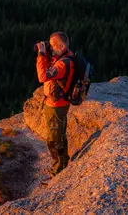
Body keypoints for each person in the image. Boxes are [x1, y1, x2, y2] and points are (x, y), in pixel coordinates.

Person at [35, 31, 74, 178]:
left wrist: (41, 55)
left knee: (54, 139)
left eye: (52, 45)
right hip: (58, 102)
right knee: (59, 134)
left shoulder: (63, 63)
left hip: (56, 105)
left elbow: (42, 76)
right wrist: (46, 54)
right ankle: (62, 162)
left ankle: (58, 169)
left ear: (61, 46)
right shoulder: (64, 56)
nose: (50, 48)